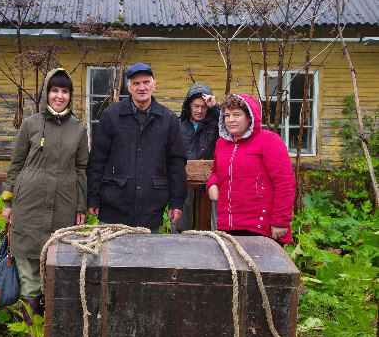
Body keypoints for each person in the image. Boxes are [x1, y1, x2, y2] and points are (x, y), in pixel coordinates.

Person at [1, 68, 89, 337]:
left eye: (65, 91)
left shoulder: (79, 128)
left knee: (57, 266)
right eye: (54, 90)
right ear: (45, 93)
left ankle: (55, 329)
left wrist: (80, 205)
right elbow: (16, 165)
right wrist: (8, 202)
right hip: (28, 205)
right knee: (28, 270)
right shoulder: (30, 124)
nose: (59, 96)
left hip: (63, 205)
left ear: (70, 96)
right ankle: (33, 334)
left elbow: (81, 169)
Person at [87, 63, 187, 233]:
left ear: (154, 85)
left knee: (147, 259)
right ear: (129, 87)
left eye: (146, 82)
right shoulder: (111, 115)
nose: (142, 87)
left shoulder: (169, 119)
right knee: (110, 258)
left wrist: (176, 202)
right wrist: (93, 198)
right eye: (136, 83)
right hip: (114, 207)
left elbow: (176, 164)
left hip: (151, 210)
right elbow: (97, 159)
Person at [206, 93, 295, 244]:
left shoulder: (269, 140)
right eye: (227, 115)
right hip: (228, 225)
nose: (231, 120)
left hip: (260, 227)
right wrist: (212, 185)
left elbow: (285, 182)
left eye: (236, 115)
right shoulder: (222, 143)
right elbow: (216, 172)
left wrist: (280, 221)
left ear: (250, 117)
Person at [172, 84, 220, 233]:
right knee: (180, 223)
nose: (200, 110)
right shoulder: (177, 124)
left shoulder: (216, 125)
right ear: (189, 106)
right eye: (196, 106)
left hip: (210, 182)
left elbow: (228, 126)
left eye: (204, 107)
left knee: (211, 225)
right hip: (182, 181)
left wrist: (215, 107)